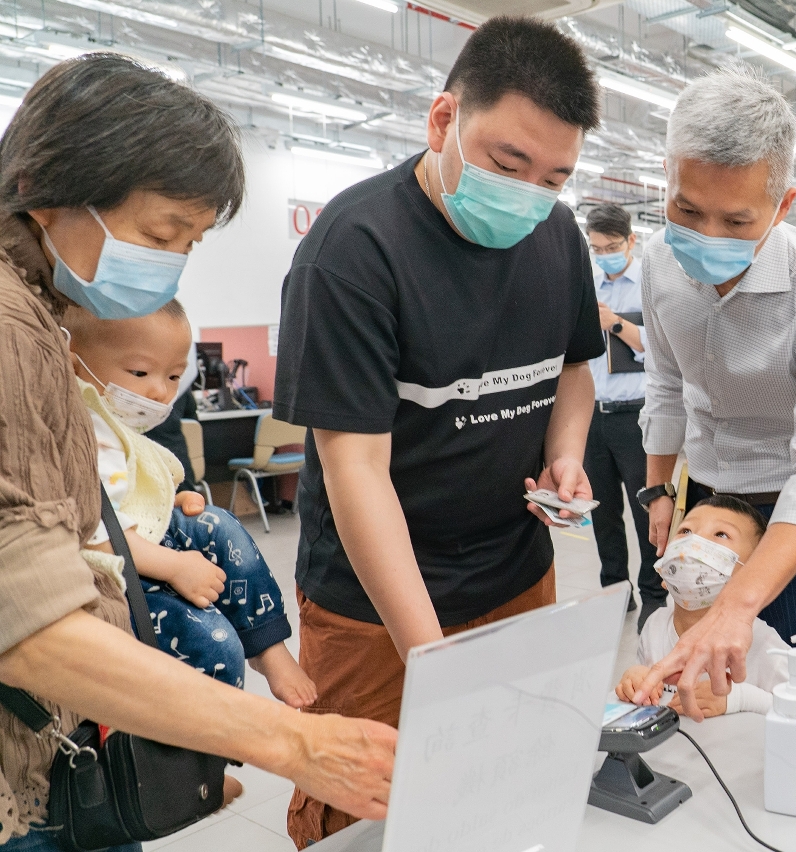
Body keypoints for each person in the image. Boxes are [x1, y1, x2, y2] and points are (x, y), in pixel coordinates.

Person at [0, 54, 394, 852]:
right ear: (47, 190)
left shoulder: (43, 313)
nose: (172, 261)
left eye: (190, 241)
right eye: (159, 235)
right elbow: (27, 620)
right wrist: (294, 743)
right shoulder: (12, 331)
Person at [272, 16, 603, 845]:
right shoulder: (353, 251)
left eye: (554, 177)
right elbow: (355, 472)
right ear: (442, 119)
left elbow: (571, 370)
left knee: (505, 786)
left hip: (514, 574)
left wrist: (564, 456)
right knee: (368, 813)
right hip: (374, 607)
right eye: (507, 164)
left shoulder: (556, 235)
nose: (528, 194)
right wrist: (438, 663)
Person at [632, 68, 796, 722]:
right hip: (705, 504)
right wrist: (658, 490)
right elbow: (665, 381)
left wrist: (738, 605)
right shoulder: (657, 261)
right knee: (696, 694)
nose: (706, 236)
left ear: (782, 204)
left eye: (736, 220)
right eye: (687, 211)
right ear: (667, 176)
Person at [65, 300, 316, 708]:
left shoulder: (113, 424)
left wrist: (166, 501)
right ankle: (211, 736)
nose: (159, 391)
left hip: (139, 539)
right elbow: (98, 530)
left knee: (219, 524)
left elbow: (124, 496)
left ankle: (268, 647)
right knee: (214, 642)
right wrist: (176, 567)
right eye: (140, 373)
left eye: (174, 376)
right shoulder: (85, 433)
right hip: (110, 566)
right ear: (74, 364)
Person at [617, 495, 789, 716]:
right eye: (685, 531)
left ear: (751, 574)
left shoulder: (763, 643)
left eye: (721, 534)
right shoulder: (655, 624)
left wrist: (739, 698)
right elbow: (646, 689)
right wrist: (636, 679)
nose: (694, 542)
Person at [582, 203, 666, 630]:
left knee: (645, 511)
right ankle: (615, 591)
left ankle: (653, 594)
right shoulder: (587, 284)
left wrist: (614, 323)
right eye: (596, 248)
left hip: (636, 418)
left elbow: (661, 349)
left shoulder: (650, 286)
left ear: (631, 241)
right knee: (603, 512)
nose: (604, 255)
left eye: (612, 247)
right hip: (593, 418)